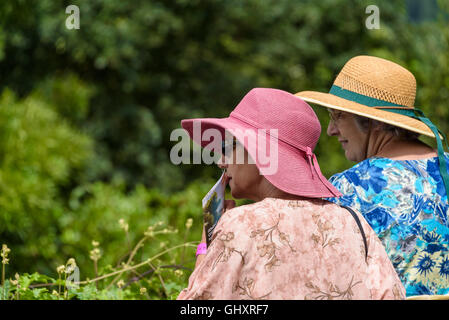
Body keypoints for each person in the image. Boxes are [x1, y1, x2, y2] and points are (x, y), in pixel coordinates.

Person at [177, 87, 405, 300]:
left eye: (229, 147)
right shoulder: (354, 223)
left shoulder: (240, 224)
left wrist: (205, 243)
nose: (221, 161)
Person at [295, 55, 449, 296]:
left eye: (339, 116)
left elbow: (321, 278)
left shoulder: (349, 188)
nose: (331, 130)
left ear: (374, 122)